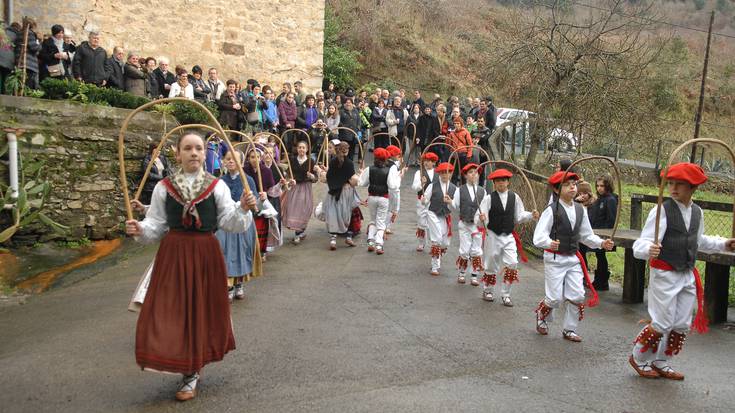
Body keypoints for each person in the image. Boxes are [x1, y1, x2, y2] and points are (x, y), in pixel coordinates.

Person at [124, 132, 257, 401]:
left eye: (198, 148)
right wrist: (139, 228)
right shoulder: (164, 187)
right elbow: (156, 225)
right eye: (188, 148)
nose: (194, 153)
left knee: (200, 311)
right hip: (173, 254)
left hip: (206, 254)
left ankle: (191, 373)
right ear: (178, 153)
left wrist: (243, 208)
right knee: (170, 309)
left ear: (204, 153)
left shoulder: (216, 186)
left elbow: (230, 221)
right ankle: (178, 360)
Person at [628, 163, 734, 380]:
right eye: (670, 183)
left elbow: (698, 240)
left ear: (693, 188)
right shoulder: (662, 210)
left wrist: (724, 243)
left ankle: (661, 361)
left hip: (686, 273)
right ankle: (638, 357)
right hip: (665, 273)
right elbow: (643, 242)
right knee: (662, 321)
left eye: (680, 184)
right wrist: (649, 248)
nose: (673, 188)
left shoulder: (697, 212)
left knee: (682, 323)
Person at [533, 170, 614, 342]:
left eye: (574, 184)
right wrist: (549, 243)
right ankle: (542, 315)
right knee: (554, 298)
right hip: (554, 260)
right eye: (567, 184)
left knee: (577, 295)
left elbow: (586, 235)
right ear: (556, 190)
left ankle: (569, 329)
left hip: (573, 258)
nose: (572, 186)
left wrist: (601, 243)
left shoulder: (580, 210)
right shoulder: (551, 210)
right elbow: (538, 236)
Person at [477, 169, 538, 305]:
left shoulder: (514, 197)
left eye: (503, 181)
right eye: (498, 181)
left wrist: (530, 215)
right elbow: (480, 218)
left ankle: (506, 294)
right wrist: (482, 219)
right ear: (494, 183)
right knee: (491, 263)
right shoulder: (488, 199)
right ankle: (488, 290)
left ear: (508, 182)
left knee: (512, 263)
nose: (501, 183)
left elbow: (519, 216)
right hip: (492, 234)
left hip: (508, 235)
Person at [216, 150, 260, 302]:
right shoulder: (220, 181)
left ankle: (239, 284)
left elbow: (254, 201)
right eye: (227, 159)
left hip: (243, 223)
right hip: (226, 224)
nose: (230, 161)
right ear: (223, 161)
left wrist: (252, 202)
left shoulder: (248, 180)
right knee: (225, 254)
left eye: (234, 159)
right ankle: (227, 286)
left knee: (241, 253)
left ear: (241, 162)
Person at [358, 148, 400, 255]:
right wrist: (398, 178)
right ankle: (379, 244)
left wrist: (362, 173)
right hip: (383, 198)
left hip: (372, 197)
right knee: (381, 222)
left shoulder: (369, 169)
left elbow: (362, 183)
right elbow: (393, 186)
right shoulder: (389, 170)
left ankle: (371, 242)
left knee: (373, 220)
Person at [451, 164, 486, 286]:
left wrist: (484, 217)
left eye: (475, 172)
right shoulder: (460, 190)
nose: (473, 174)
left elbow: (486, 208)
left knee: (477, 250)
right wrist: (449, 202)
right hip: (464, 224)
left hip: (477, 225)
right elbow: (455, 206)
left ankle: (474, 274)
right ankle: (462, 272)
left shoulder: (483, 191)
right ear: (465, 175)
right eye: (470, 172)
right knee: (465, 249)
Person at [322, 141, 360, 250]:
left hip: (333, 192)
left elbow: (329, 177)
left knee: (333, 214)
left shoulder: (333, 161)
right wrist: (359, 175)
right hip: (346, 192)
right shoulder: (349, 163)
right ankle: (348, 237)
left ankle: (333, 240)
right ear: (347, 151)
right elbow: (353, 181)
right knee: (347, 214)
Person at [422, 162, 457, 276]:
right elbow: (425, 200)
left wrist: (450, 202)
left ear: (451, 173)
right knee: (436, 239)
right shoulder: (433, 185)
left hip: (445, 216)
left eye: (447, 172)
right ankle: (435, 265)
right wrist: (423, 199)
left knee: (445, 243)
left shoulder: (454, 188)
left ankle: (438, 256)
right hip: (432, 213)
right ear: (439, 174)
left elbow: (456, 206)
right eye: (442, 173)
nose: (444, 175)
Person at [243, 147, 276, 260]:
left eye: (257, 157)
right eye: (252, 157)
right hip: (249, 201)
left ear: (260, 158)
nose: (254, 160)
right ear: (248, 158)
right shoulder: (244, 171)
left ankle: (262, 251)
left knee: (262, 227)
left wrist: (266, 194)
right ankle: (250, 250)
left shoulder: (266, 171)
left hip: (262, 202)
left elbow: (272, 189)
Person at [587, 175, 618, 291]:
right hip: (595, 231)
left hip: (603, 233)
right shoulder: (600, 199)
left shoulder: (610, 200)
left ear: (608, 186)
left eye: (602, 186)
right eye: (598, 186)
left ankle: (602, 281)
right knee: (599, 255)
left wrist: (604, 233)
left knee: (601, 255)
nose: (599, 188)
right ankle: (599, 280)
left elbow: (611, 219)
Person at [283, 140, 317, 244]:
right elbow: (288, 174)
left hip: (305, 188)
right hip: (295, 188)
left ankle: (300, 231)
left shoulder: (311, 161)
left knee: (304, 209)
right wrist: (288, 180)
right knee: (293, 209)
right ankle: (298, 233)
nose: (301, 149)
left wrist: (312, 176)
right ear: (297, 149)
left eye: (303, 148)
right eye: (299, 147)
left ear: (307, 150)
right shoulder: (293, 160)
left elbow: (316, 178)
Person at [412, 152, 439, 252]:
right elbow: (414, 187)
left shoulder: (438, 173)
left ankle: (434, 243)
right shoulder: (419, 173)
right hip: (421, 200)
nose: (426, 163)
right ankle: (421, 242)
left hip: (434, 201)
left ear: (434, 163)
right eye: (425, 161)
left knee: (434, 223)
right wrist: (421, 184)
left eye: (429, 161)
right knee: (422, 222)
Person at [15, 18, 41, 89]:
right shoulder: (29, 33)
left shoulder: (19, 33)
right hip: (28, 64)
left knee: (21, 85)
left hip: (20, 62)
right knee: (27, 86)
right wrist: (40, 45)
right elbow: (34, 48)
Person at [384, 145, 404, 236]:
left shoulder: (386, 162)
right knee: (393, 209)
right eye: (397, 155)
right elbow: (394, 183)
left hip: (386, 189)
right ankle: (385, 226)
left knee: (389, 209)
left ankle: (386, 226)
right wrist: (400, 175)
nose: (398, 156)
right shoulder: (392, 167)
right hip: (393, 190)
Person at [0, 23, 18, 94]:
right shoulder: (17, 35)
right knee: (7, 79)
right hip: (10, 61)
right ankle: (5, 95)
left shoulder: (3, 32)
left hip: (1, 58)